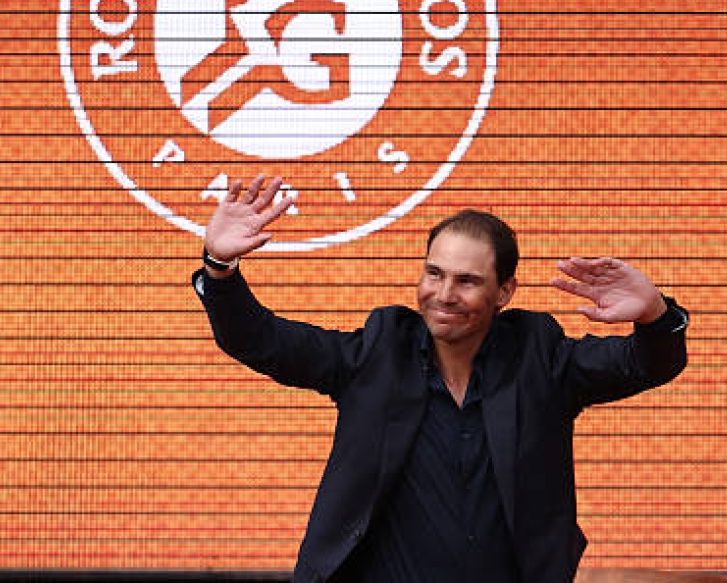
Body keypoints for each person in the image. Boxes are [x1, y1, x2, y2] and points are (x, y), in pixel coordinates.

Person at [192, 175, 689, 582]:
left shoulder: (542, 360)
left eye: (467, 281)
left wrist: (654, 314)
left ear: (504, 292)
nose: (445, 294)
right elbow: (259, 339)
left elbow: (647, 363)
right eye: (435, 273)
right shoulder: (379, 351)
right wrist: (220, 267)